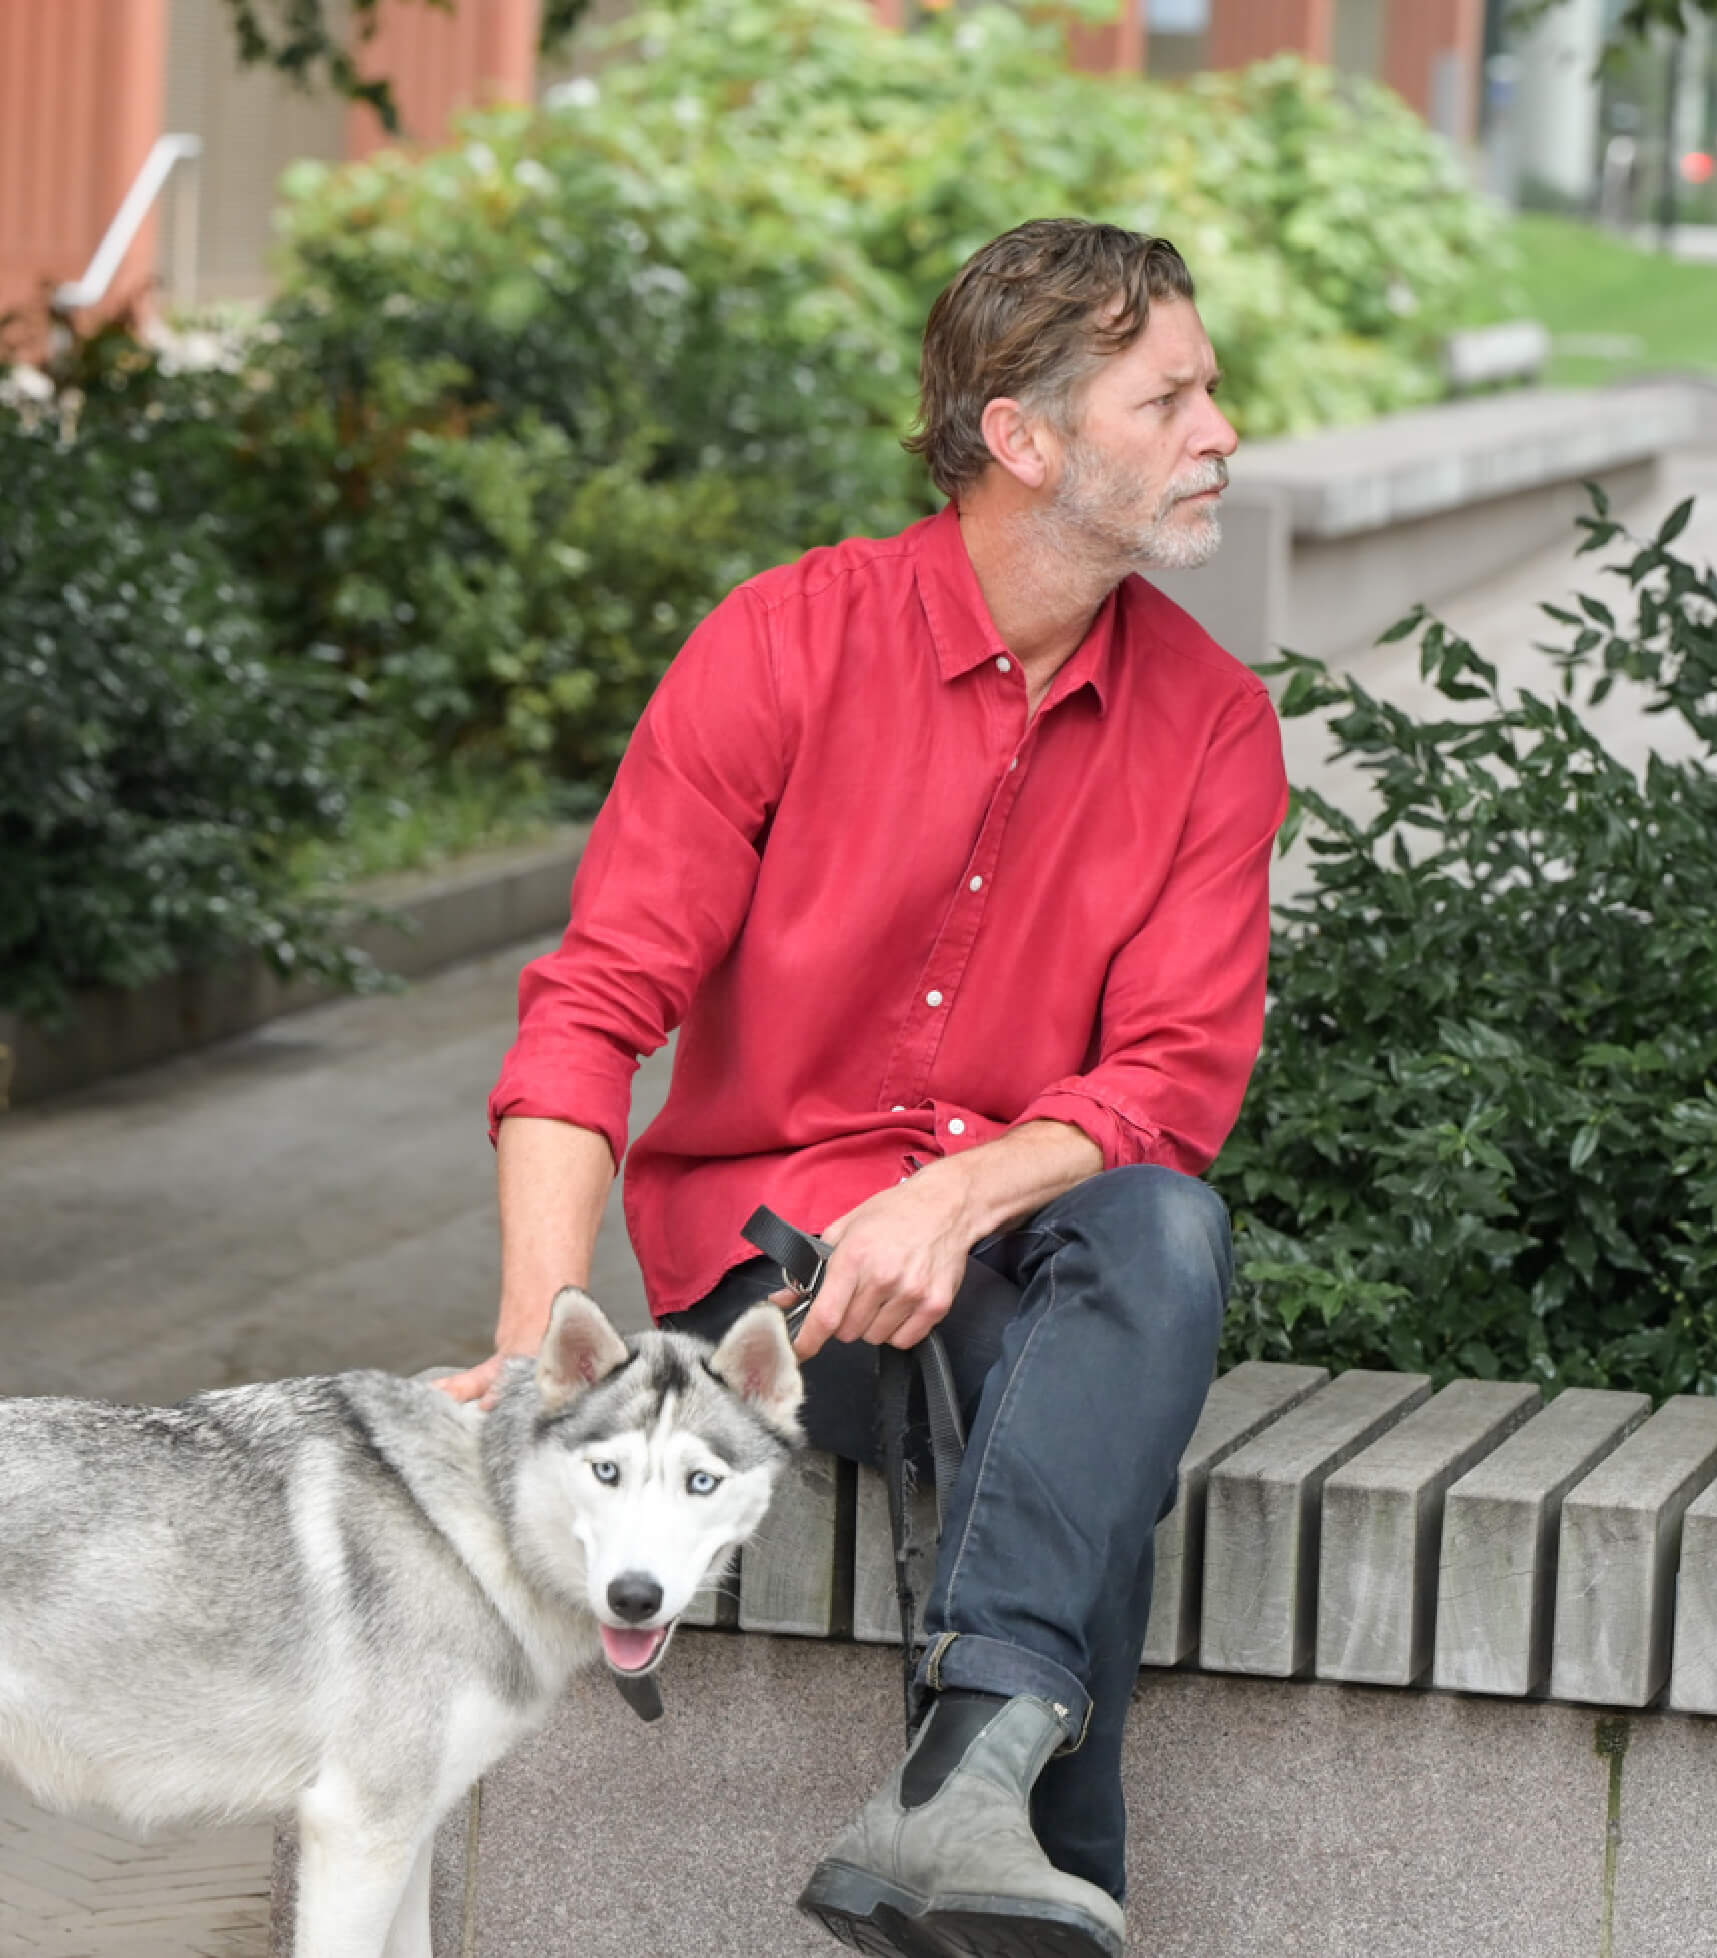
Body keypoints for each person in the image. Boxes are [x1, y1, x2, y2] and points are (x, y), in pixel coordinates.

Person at [440, 217, 1287, 1958]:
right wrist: (543, 1325)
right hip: (778, 1295)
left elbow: (1171, 1083)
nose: (1223, 431)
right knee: (1065, 1390)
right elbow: (597, 1005)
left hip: (1030, 1260)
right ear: (1023, 438)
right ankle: (993, 1828)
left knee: (1152, 1233)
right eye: (1174, 395)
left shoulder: (1210, 725)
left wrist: (958, 1191)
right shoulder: (784, 644)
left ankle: (964, 1779)